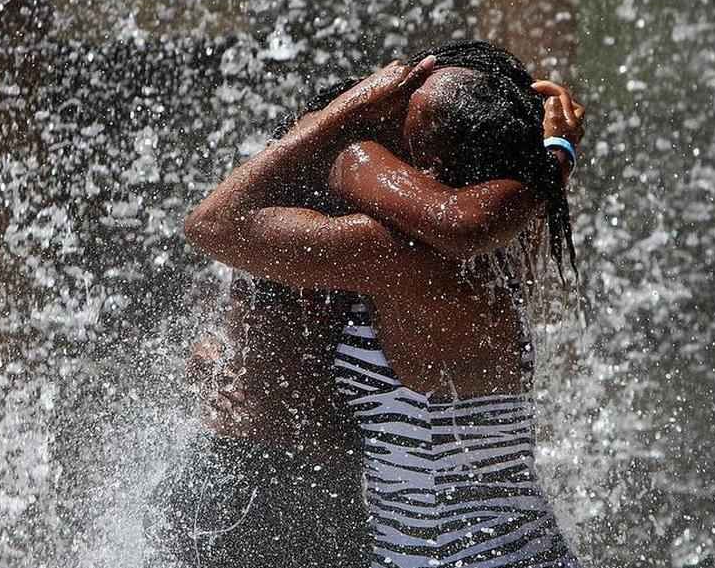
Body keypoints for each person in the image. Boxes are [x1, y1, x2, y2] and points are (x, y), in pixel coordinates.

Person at [184, 39, 585, 567]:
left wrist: (339, 117)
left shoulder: (405, 261)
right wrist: (555, 156)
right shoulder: (506, 246)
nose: (386, 111)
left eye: (403, 114)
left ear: (433, 166)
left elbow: (213, 224)